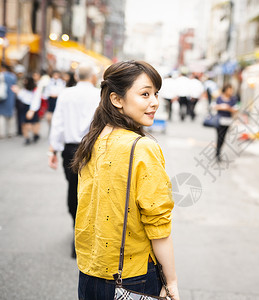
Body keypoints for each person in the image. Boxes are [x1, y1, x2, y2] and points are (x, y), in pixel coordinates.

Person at [70, 61, 179, 300]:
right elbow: (158, 226)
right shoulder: (143, 148)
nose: (154, 102)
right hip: (132, 277)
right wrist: (171, 282)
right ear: (116, 100)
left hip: (89, 273)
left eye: (156, 94)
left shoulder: (93, 140)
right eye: (145, 94)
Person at [48, 64, 100, 258]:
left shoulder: (65, 94)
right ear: (93, 77)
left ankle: (76, 228)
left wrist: (52, 149)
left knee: (73, 188)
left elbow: (58, 123)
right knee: (91, 191)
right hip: (93, 148)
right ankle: (85, 232)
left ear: (77, 77)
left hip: (70, 148)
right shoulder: (98, 95)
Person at [12, 75, 41, 144]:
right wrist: (17, 92)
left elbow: (36, 101)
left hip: (31, 108)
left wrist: (32, 111)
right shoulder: (24, 89)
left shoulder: (35, 90)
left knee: (32, 124)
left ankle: (35, 135)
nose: (24, 82)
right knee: (24, 124)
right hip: (23, 107)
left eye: (26, 80)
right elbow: (22, 97)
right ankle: (27, 138)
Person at [215, 83, 238, 161]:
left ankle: (218, 151)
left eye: (231, 90)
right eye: (229, 90)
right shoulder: (219, 98)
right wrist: (222, 107)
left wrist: (228, 108)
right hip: (219, 120)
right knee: (219, 136)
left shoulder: (233, 99)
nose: (230, 91)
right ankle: (217, 152)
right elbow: (215, 107)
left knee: (223, 137)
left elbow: (235, 110)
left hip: (227, 120)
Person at [0, 62, 17, 139]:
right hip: (11, 97)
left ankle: (2, 133)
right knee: (11, 115)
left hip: (2, 98)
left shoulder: (1, 75)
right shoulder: (13, 76)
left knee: (2, 116)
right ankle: (11, 132)